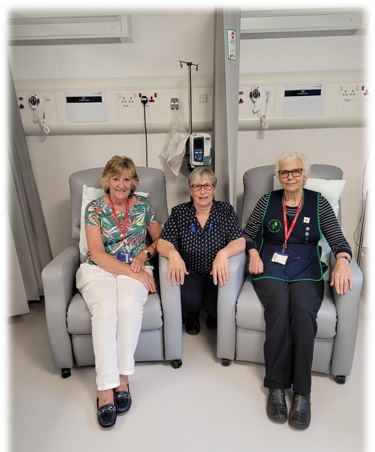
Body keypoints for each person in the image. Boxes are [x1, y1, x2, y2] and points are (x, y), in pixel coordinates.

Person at [244, 150, 353, 430]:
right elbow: (247, 234)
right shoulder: (267, 200)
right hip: (270, 264)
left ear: (305, 175)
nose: (289, 177)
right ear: (278, 176)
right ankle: (277, 387)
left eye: (295, 172)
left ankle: (303, 394)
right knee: (278, 309)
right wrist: (253, 253)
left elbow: (339, 240)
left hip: (307, 267)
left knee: (303, 312)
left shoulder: (319, 203)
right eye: (284, 172)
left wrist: (342, 261)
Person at [76, 155, 162, 428]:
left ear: (133, 182)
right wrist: (130, 269)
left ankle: (123, 378)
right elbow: (98, 254)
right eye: (116, 178)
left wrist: (145, 254)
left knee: (127, 306)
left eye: (127, 178)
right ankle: (105, 388)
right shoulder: (94, 208)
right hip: (99, 269)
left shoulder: (145, 206)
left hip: (135, 268)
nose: (122, 184)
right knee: (105, 311)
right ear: (107, 181)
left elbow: (160, 239)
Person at [157, 167, 245, 334]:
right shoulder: (180, 212)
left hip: (217, 271)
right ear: (191, 190)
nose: (202, 191)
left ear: (215, 189)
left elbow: (240, 241)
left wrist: (223, 253)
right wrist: (173, 253)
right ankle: (192, 315)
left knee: (216, 305)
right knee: (188, 300)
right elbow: (163, 242)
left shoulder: (225, 211)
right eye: (197, 186)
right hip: (190, 271)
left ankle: (213, 315)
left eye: (207, 186)